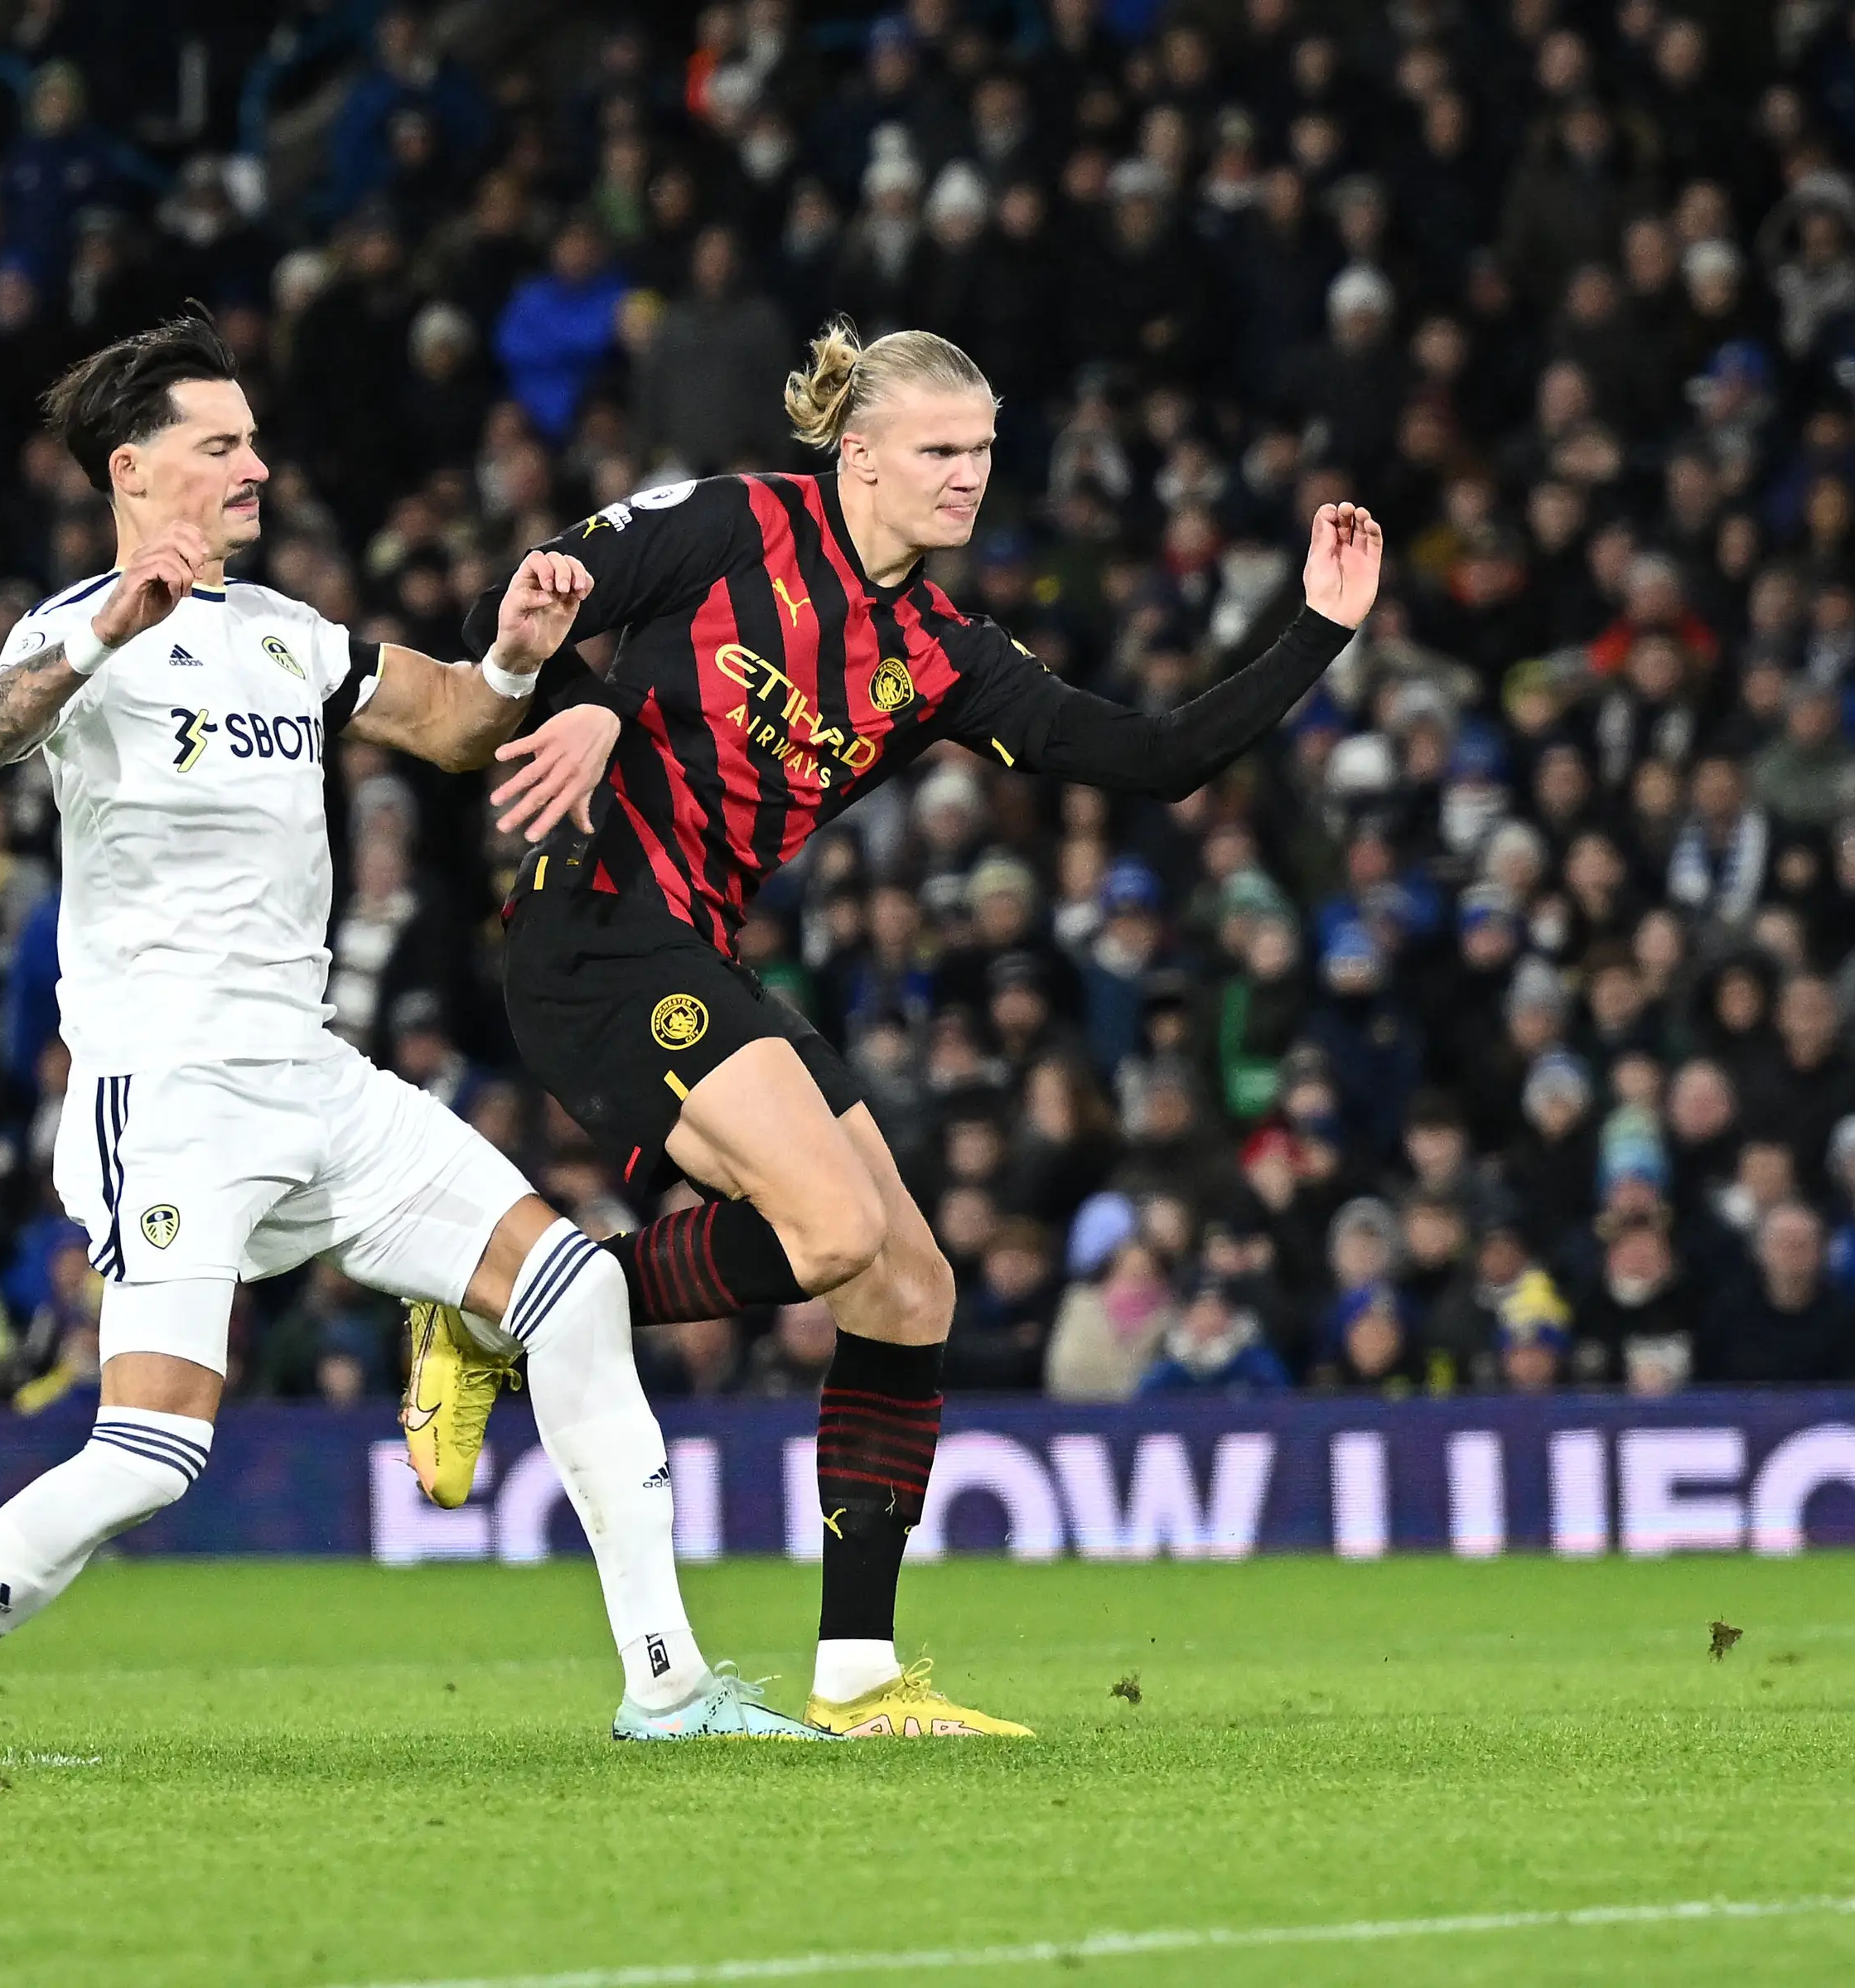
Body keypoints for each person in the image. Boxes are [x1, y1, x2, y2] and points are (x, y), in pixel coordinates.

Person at [0, 317, 819, 1761]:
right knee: (151, 1456)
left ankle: (667, 1690)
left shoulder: (288, 634)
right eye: (220, 443)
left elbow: (454, 724)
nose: (256, 465)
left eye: (251, 438)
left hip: (316, 1081)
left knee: (573, 1288)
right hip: (167, 1099)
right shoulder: (72, 629)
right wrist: (104, 634)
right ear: (133, 468)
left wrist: (515, 656)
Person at [428, 318, 1384, 1738]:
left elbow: (1157, 759)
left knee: (909, 1286)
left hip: (699, 950)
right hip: (593, 927)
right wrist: (583, 704)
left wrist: (1319, 630)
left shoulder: (938, 650)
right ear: (856, 453)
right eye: (939, 450)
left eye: (984, 451)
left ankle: (858, 1676)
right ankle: (511, 1312)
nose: (968, 477)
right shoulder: (728, 522)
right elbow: (531, 606)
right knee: (825, 1236)